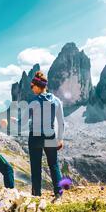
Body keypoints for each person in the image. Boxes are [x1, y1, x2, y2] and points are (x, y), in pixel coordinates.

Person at [22, 71, 65, 202]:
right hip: (50, 135)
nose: (31, 88)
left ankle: (36, 196)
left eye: (32, 86)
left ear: (38, 85)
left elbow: (22, 122)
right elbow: (61, 122)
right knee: (53, 165)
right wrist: (60, 138)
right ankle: (58, 195)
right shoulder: (57, 101)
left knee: (36, 166)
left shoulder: (33, 102)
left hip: (35, 137)